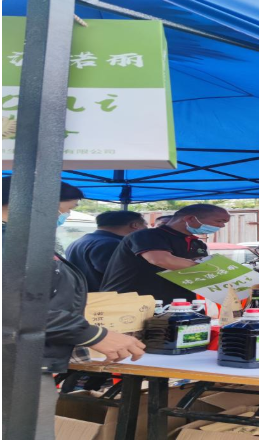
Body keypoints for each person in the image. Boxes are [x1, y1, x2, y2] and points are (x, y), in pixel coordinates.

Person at [2, 177, 145, 439]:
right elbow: (12, 306)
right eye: (65, 209)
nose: (65, 216)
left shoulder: (19, 240)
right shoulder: (9, 243)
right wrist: (93, 335)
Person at [100, 204, 230, 304]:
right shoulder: (147, 235)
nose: (222, 226)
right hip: (132, 304)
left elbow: (197, 268)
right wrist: (215, 271)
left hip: (178, 305)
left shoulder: (197, 243)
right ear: (190, 218)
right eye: (219, 221)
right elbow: (161, 260)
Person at [65, 211, 147, 292]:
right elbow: (120, 274)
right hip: (107, 296)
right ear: (135, 225)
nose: (147, 228)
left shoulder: (80, 241)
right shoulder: (111, 244)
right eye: (145, 224)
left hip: (83, 295)